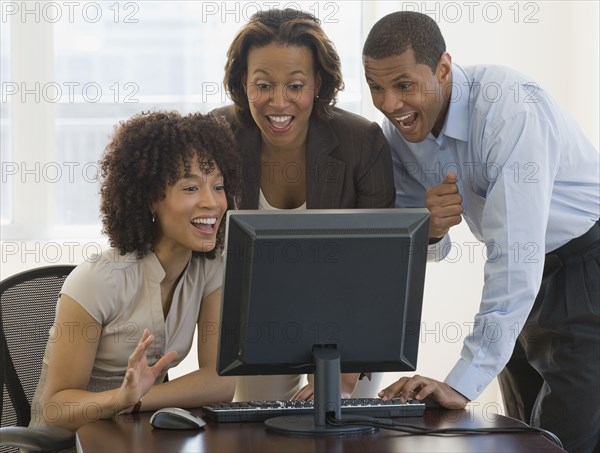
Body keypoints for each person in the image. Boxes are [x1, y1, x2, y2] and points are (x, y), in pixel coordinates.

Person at [362, 11, 600, 452]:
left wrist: (462, 382)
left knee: (567, 442)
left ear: (444, 70)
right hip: (524, 291)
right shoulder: (398, 137)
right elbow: (426, 248)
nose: (390, 104)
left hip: (586, 270)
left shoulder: (509, 109)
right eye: (376, 87)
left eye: (403, 85)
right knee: (522, 439)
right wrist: (428, 230)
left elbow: (515, 252)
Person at [211, 8, 396, 402]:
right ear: (243, 83)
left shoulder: (362, 142)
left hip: (348, 320)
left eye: (295, 86)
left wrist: (344, 377)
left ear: (318, 84)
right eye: (263, 85)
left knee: (346, 429)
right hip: (255, 322)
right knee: (254, 427)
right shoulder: (217, 136)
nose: (279, 102)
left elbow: (379, 266)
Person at [29, 111, 243, 432]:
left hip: (137, 434)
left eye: (218, 186)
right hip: (66, 442)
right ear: (149, 200)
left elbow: (220, 383)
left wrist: (140, 399)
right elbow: (56, 408)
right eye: (190, 188)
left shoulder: (210, 269)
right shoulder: (98, 279)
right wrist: (121, 398)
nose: (211, 202)